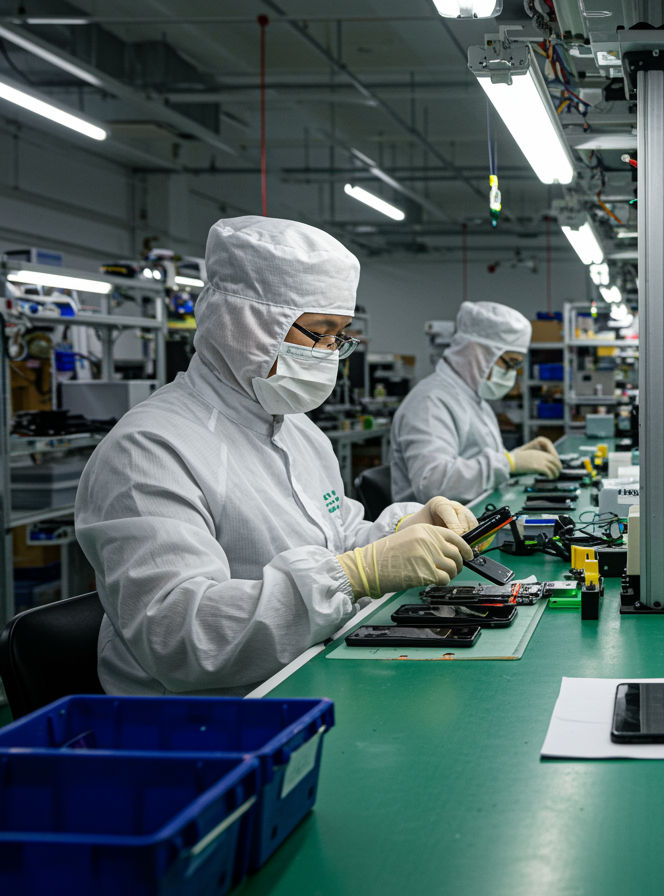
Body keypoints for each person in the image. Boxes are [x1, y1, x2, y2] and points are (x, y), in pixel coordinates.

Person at [76, 216, 479, 696]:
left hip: (307, 673)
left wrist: (401, 531)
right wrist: (355, 575)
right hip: (215, 717)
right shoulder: (149, 449)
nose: (329, 353)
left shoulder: (298, 430)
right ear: (246, 324)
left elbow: (337, 536)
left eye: (340, 336)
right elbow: (180, 636)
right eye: (319, 333)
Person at [390, 301, 562, 504]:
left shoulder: (475, 400)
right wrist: (509, 463)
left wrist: (515, 458)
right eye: (510, 363)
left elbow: (479, 462)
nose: (512, 375)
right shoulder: (429, 402)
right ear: (477, 353)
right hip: (436, 523)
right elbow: (432, 483)